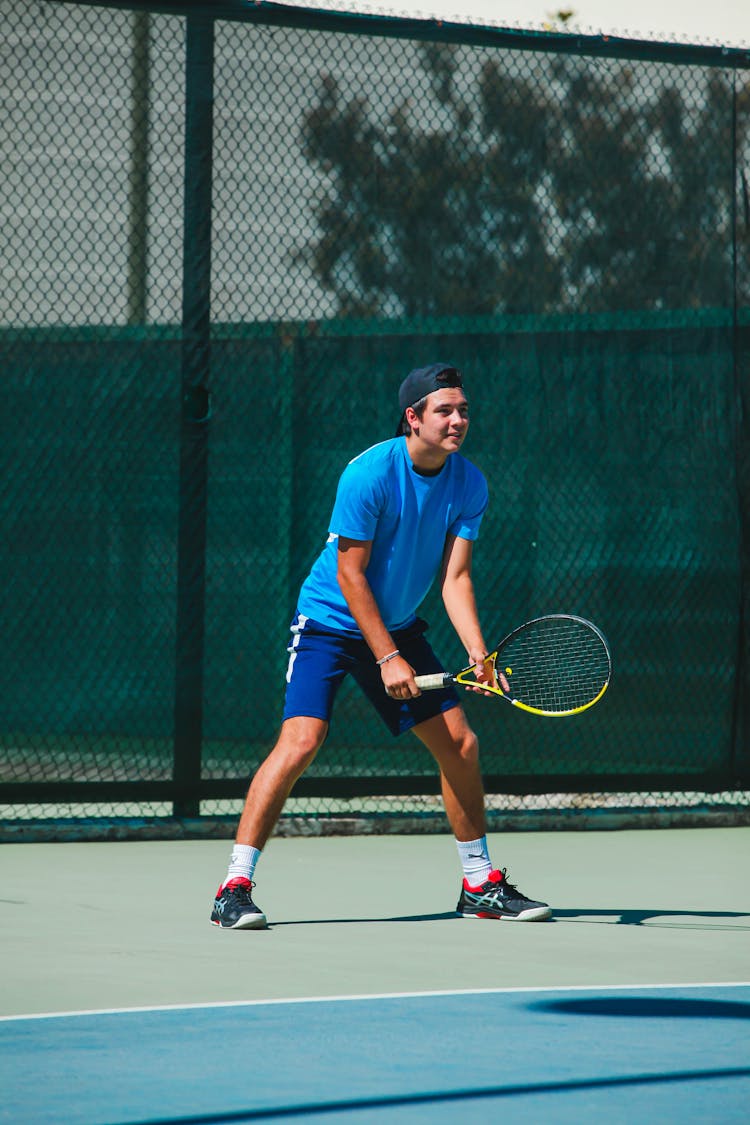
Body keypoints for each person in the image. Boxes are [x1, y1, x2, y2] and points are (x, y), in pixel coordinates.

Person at [210, 363, 551, 929]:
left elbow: (455, 579)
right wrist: (386, 658)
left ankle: (479, 884)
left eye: (463, 410)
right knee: (301, 741)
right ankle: (234, 888)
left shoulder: (469, 483)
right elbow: (351, 576)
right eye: (445, 410)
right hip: (329, 622)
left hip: (398, 624)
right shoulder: (368, 474)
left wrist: (479, 654)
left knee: (461, 745)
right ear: (412, 418)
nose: (458, 419)